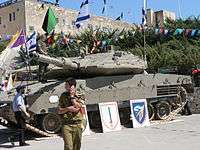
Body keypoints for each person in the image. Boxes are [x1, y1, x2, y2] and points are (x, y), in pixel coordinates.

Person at [58, 78, 84, 150]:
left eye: (66, 85)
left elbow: (77, 108)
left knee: (77, 147)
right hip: (66, 124)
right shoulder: (63, 95)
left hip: (77, 124)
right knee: (68, 147)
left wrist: (72, 96)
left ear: (72, 86)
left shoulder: (80, 94)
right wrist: (68, 108)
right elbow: (59, 111)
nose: (65, 87)